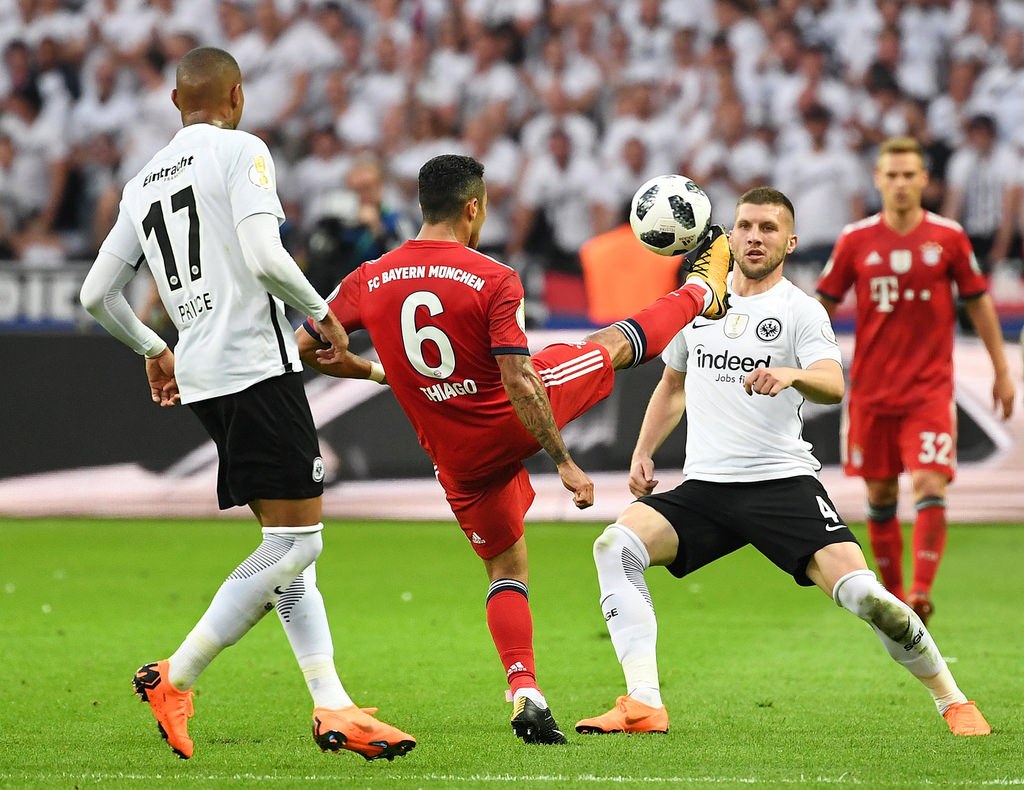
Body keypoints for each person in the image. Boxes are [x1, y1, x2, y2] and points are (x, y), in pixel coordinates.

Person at [296, 153, 732, 745]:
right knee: (609, 347)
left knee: (505, 569)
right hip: (509, 416)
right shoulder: (492, 277)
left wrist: (368, 369)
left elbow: (307, 346)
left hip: (454, 453)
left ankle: (526, 689)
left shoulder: (367, 278)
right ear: (473, 207)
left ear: (422, 206)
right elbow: (520, 380)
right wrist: (563, 460)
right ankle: (702, 291)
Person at [78, 47, 415, 762]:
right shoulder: (241, 151)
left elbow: (96, 295)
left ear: (177, 102)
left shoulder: (142, 181)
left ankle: (332, 704)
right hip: (258, 367)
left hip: (203, 377)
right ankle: (175, 675)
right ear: (237, 95)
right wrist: (322, 312)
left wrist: (153, 347)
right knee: (299, 544)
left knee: (288, 551)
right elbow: (264, 256)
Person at [575, 186, 992, 739]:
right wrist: (643, 450)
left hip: (781, 485)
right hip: (706, 489)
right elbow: (672, 385)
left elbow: (833, 384)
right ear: (729, 235)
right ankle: (644, 703)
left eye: (769, 228)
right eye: (745, 226)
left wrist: (793, 374)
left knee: (868, 597)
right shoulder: (697, 305)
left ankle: (953, 700)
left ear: (790, 242)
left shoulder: (801, 311)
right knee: (615, 546)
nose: (755, 237)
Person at [817, 136, 1015, 625]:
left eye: (910, 175)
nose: (901, 183)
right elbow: (822, 306)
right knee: (881, 495)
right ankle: (897, 596)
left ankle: (921, 591)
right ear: (878, 180)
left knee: (930, 481)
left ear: (924, 180)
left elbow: (979, 302)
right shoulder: (855, 240)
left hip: (928, 391)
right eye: (892, 175)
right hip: (870, 393)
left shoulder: (948, 238)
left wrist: (1002, 371)